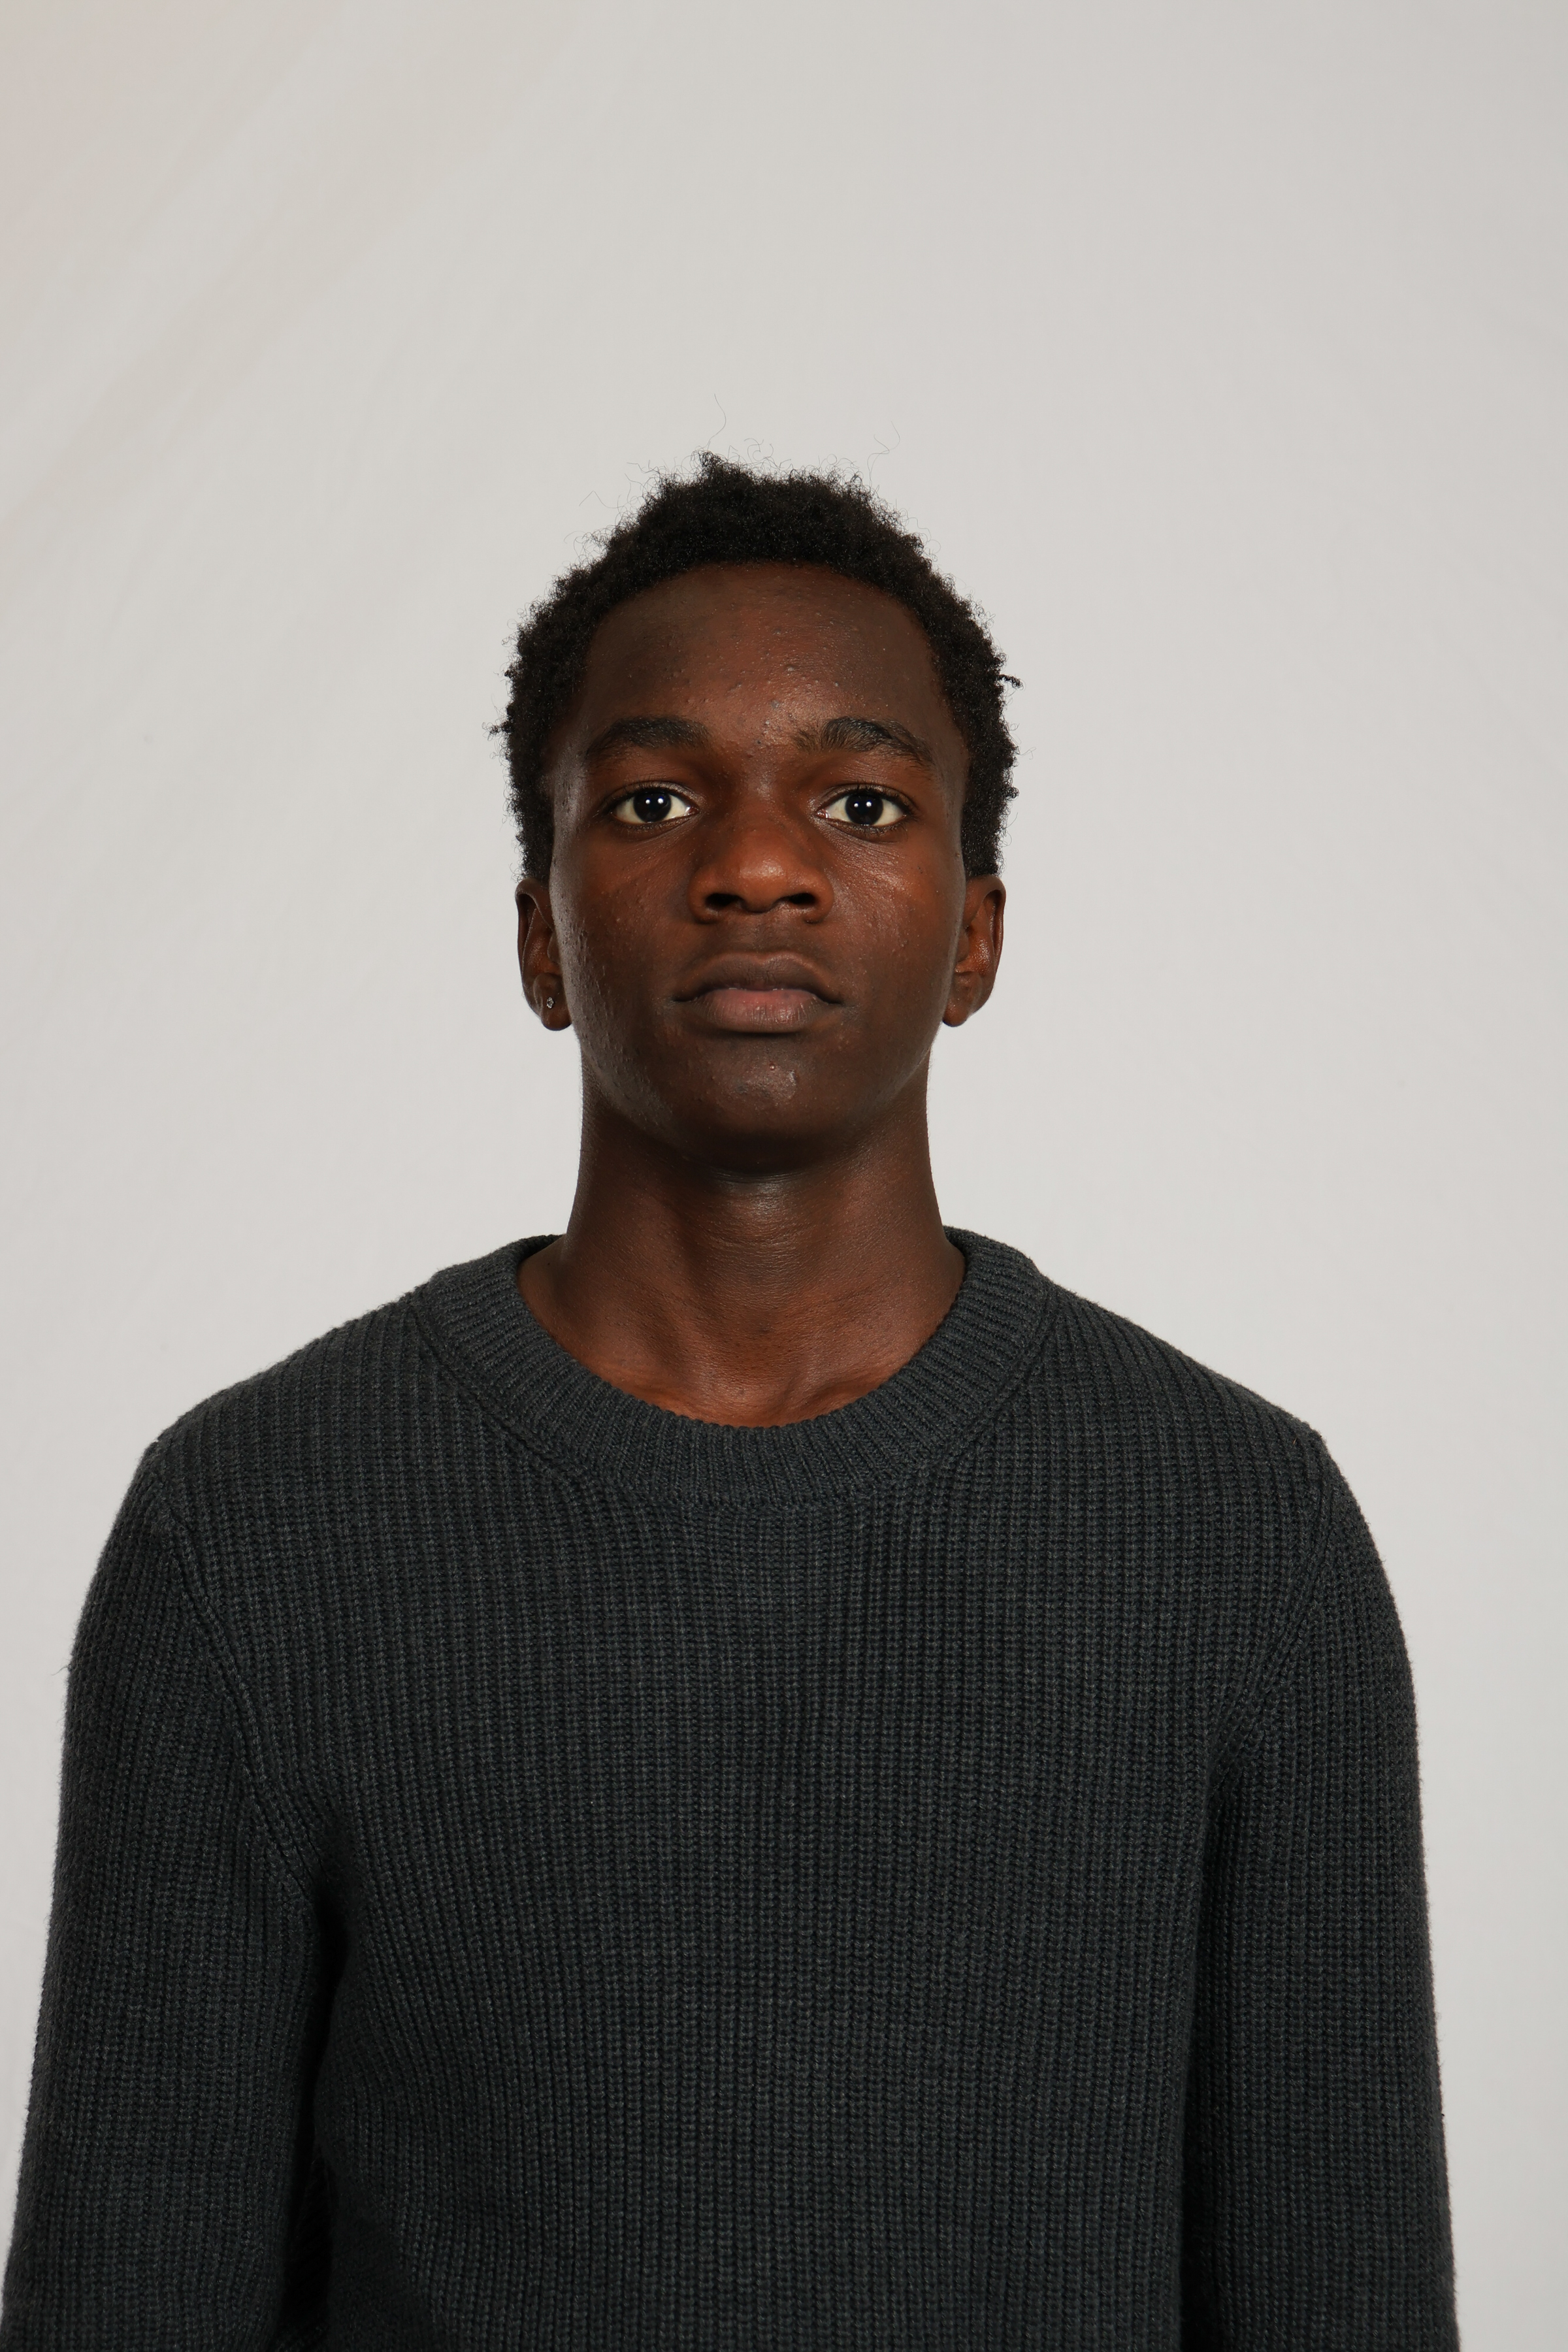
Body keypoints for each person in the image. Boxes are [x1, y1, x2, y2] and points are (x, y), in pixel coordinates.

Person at [1, 458, 1459, 2347]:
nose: (757, 866)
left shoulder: (1239, 1536)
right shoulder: (256, 1531)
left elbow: (1345, 2292)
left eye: (859, 802)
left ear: (977, 933)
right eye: (655, 800)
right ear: (540, 932)